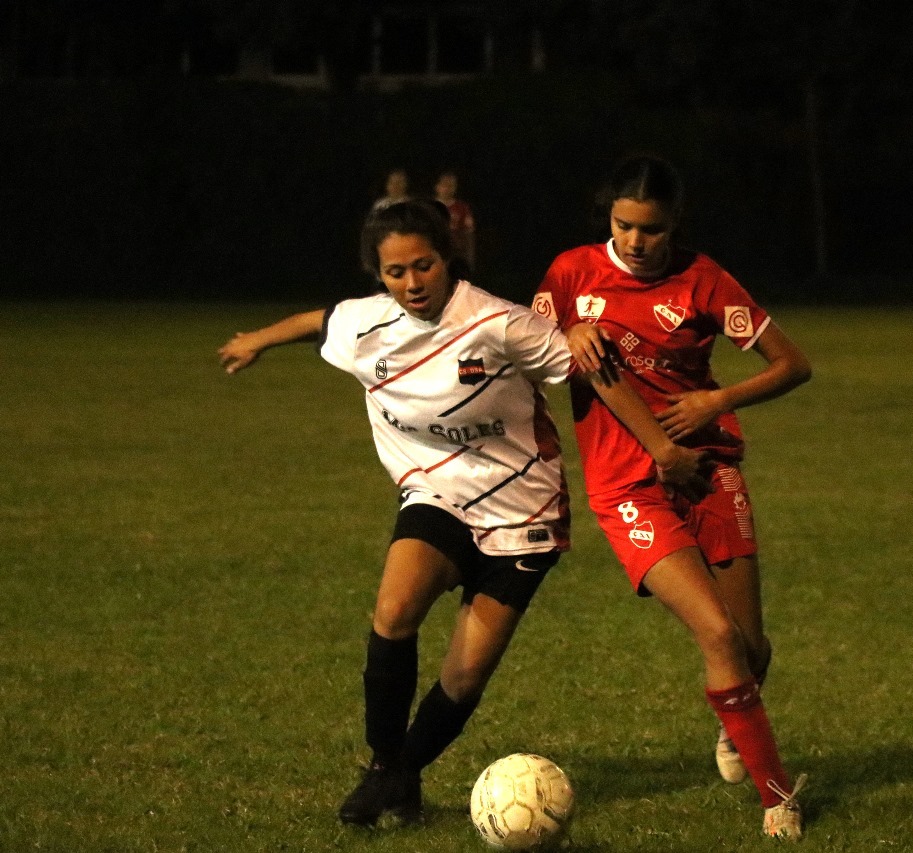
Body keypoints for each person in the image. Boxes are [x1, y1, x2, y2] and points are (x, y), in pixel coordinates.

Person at [217, 200, 705, 829]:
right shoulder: (366, 325)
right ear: (378, 275)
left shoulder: (499, 324)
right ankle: (382, 767)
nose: (412, 283)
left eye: (423, 265)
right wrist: (257, 340)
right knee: (394, 611)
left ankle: (403, 775)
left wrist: (661, 448)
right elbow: (322, 320)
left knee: (465, 675)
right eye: (395, 272)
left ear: (447, 257)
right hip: (437, 495)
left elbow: (596, 373)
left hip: (524, 510)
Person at [531, 156, 812, 840]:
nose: (634, 241)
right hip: (626, 484)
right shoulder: (570, 274)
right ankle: (778, 798)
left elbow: (792, 364)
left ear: (674, 224)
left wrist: (718, 398)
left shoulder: (703, 279)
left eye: (650, 229)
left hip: (706, 468)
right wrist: (564, 334)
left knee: (748, 646)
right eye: (622, 225)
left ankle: (733, 715)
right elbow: (525, 349)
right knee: (716, 633)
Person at [434, 170, 476, 271]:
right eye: (445, 185)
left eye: (451, 185)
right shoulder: (428, 206)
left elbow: (468, 233)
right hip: (434, 251)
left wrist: (469, 256)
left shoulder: (462, 208)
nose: (448, 189)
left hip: (455, 253)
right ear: (437, 187)